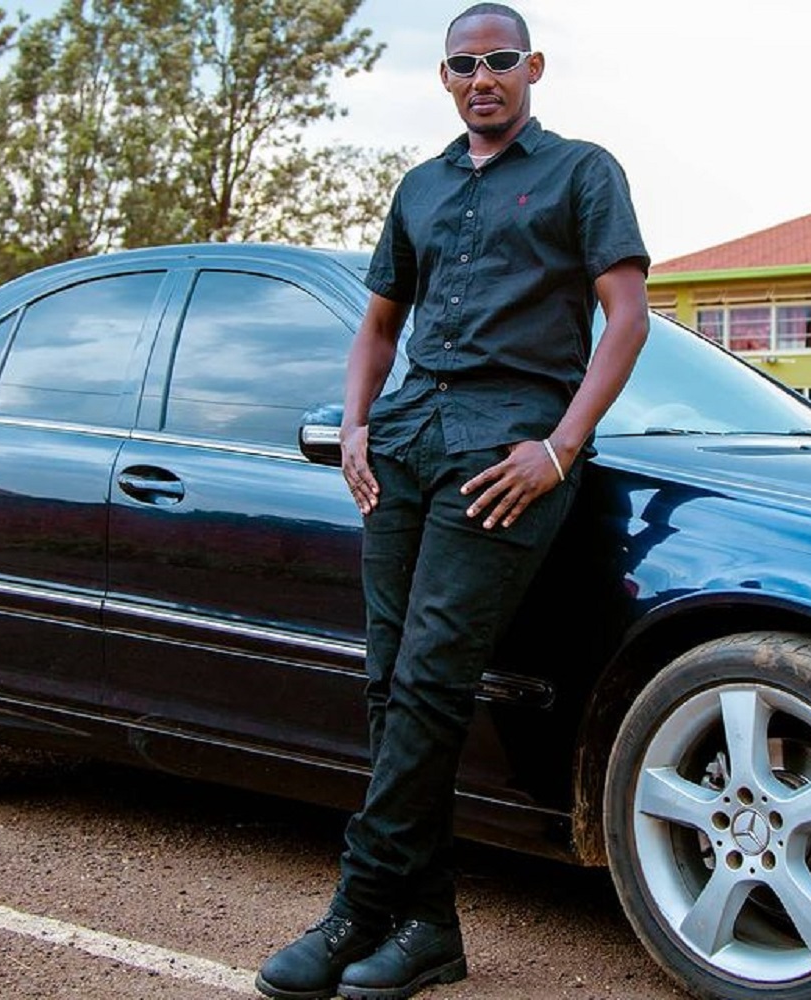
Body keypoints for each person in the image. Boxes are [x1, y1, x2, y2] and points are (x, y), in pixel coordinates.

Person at [255, 4, 650, 999]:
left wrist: (560, 447)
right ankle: (427, 927)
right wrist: (355, 426)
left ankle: (358, 906)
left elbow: (627, 319)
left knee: (432, 677)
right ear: (444, 78)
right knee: (389, 683)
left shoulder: (582, 173)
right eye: (464, 65)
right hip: (404, 443)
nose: (483, 78)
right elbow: (377, 327)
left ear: (533, 68)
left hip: (502, 449)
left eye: (500, 60)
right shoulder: (420, 187)